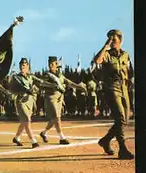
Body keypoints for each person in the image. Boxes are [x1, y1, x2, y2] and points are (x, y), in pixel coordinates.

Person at [93, 29, 134, 159]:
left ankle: (105, 140)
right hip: (112, 88)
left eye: (114, 40)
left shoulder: (126, 55)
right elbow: (97, 61)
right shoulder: (107, 55)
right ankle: (122, 149)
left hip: (124, 88)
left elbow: (130, 71)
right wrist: (105, 46)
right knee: (121, 118)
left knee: (125, 120)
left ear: (120, 41)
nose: (112, 43)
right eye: (110, 41)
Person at [9, 58, 58, 148]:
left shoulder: (30, 76)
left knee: (24, 122)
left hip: (29, 101)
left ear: (27, 66)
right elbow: (12, 88)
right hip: (21, 101)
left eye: (24, 65)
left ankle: (16, 137)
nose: (22, 66)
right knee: (27, 120)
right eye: (21, 64)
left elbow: (41, 82)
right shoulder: (16, 77)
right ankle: (33, 141)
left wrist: (52, 85)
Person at [39, 56, 87, 145]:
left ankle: (44, 132)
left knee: (54, 119)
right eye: (49, 64)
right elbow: (41, 85)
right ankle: (62, 137)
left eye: (52, 64)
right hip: (51, 98)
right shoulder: (47, 75)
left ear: (56, 64)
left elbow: (68, 82)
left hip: (59, 98)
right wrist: (52, 86)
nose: (50, 65)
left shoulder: (60, 75)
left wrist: (79, 87)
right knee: (57, 118)